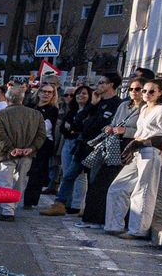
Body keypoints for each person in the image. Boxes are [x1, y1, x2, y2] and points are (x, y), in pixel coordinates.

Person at [105, 78, 162, 239]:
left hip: (151, 151)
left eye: (151, 91)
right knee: (118, 187)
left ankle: (137, 230)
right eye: (144, 90)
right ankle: (113, 225)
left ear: (160, 93)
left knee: (143, 191)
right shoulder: (144, 108)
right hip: (137, 150)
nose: (146, 94)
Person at [82, 74, 137, 226]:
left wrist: (125, 131)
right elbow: (111, 122)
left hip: (129, 148)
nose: (134, 92)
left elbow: (145, 131)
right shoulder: (124, 105)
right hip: (112, 146)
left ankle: (111, 221)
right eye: (131, 89)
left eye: (139, 89)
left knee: (115, 186)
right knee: (98, 182)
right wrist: (110, 128)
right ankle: (94, 218)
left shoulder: (145, 109)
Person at [0, 85, 46, 222]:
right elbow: (41, 135)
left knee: (5, 182)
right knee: (19, 182)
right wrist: (32, 148)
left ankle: (8, 211)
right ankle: (11, 207)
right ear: (22, 98)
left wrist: (11, 149)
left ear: (7, 98)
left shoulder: (1, 114)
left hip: (5, 154)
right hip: (27, 154)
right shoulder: (36, 115)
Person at [44, 84, 100, 216]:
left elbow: (81, 127)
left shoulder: (92, 110)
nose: (80, 96)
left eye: (84, 93)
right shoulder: (72, 110)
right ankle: (67, 203)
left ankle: (76, 204)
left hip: (80, 143)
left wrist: (73, 127)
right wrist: (71, 128)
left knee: (78, 175)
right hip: (68, 142)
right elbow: (64, 128)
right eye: (78, 93)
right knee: (67, 173)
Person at [23, 82, 62, 209]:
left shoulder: (53, 110)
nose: (46, 94)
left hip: (44, 145)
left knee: (37, 174)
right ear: (38, 93)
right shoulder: (30, 107)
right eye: (44, 91)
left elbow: (48, 128)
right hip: (26, 142)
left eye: (50, 92)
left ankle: (30, 201)